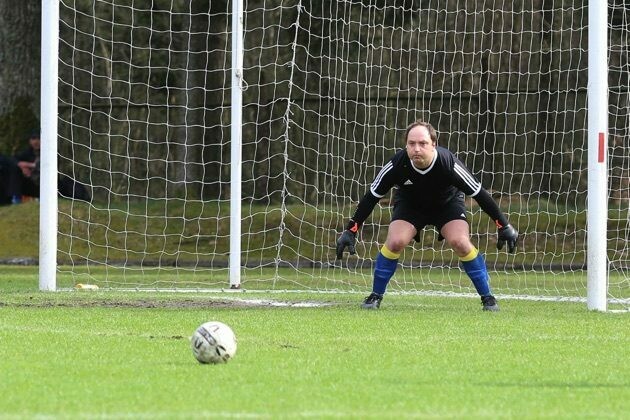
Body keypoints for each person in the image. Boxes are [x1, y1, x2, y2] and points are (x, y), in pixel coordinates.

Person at [336, 120, 519, 311]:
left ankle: (488, 298)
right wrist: (351, 230)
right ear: (406, 145)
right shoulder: (397, 164)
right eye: (411, 143)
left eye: (422, 143)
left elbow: (480, 194)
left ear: (434, 144)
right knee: (395, 242)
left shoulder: (449, 164)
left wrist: (503, 225)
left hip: (447, 205)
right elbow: (371, 197)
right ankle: (375, 296)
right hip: (410, 206)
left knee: (460, 243)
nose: (416, 148)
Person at [15, 129, 41, 200]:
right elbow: (14, 160)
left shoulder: (50, 151)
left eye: (39, 138)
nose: (36, 141)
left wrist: (30, 165)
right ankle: (16, 198)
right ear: (30, 141)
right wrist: (23, 168)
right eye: (33, 138)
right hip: (29, 183)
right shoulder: (27, 152)